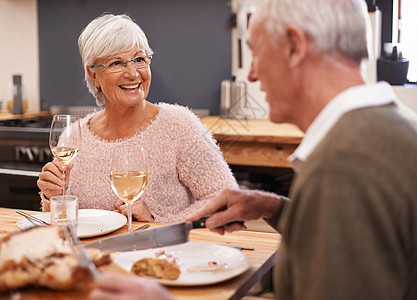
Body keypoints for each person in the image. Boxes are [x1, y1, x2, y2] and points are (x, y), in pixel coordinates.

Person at [89, 0, 417, 299]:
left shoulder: (343, 165)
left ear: (294, 47)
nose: (254, 73)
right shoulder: (388, 129)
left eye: (257, 52)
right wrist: (270, 206)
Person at [37, 13, 237, 223]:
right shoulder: (73, 137)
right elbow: (61, 223)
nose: (133, 73)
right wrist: (53, 197)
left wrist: (159, 220)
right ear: (94, 74)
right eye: (117, 63)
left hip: (158, 254)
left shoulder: (179, 125)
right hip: (92, 255)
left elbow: (226, 199)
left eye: (139, 59)